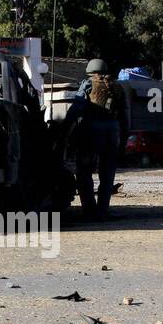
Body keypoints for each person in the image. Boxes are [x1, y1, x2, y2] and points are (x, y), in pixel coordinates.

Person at [68, 58, 124, 220]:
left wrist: (65, 128)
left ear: (91, 71)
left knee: (84, 172)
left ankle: (89, 210)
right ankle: (103, 211)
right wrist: (124, 138)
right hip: (113, 133)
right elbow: (125, 116)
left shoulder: (87, 85)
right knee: (107, 174)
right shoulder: (117, 87)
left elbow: (76, 109)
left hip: (91, 132)